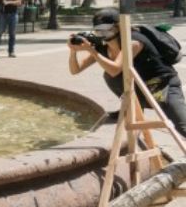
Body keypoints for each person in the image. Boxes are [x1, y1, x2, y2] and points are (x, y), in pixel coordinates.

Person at [68, 8, 186, 137]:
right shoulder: (102, 46)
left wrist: (92, 51)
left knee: (182, 126)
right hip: (140, 87)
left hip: (163, 85)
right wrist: (73, 51)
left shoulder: (133, 41)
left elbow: (115, 69)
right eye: (98, 30)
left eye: (105, 29)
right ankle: (131, 106)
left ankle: (134, 107)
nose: (102, 33)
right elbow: (75, 70)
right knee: (109, 75)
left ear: (118, 27)